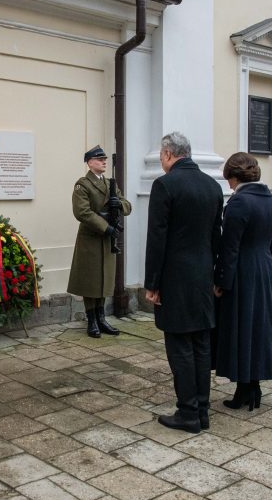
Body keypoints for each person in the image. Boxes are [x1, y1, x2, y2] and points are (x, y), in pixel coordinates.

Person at [144, 132, 223, 433]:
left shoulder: (165, 185)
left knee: (179, 345)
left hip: (174, 279)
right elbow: (216, 236)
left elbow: (157, 238)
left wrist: (152, 283)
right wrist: (214, 274)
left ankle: (188, 412)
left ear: (167, 154)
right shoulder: (212, 186)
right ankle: (202, 410)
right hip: (202, 275)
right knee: (201, 344)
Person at [213, 153, 272, 411]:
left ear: (235, 176)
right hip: (264, 268)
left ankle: (245, 388)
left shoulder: (239, 202)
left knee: (241, 328)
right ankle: (252, 386)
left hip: (242, 271)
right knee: (259, 329)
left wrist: (221, 280)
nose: (228, 184)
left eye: (229, 179)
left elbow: (229, 248)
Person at [67, 145, 132, 338]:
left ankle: (102, 318)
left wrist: (118, 204)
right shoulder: (82, 184)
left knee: (104, 278)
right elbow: (82, 212)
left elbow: (127, 205)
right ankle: (92, 320)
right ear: (89, 162)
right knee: (90, 280)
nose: (104, 162)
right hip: (92, 238)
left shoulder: (110, 184)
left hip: (107, 239)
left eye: (105, 159)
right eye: (99, 159)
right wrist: (106, 227)